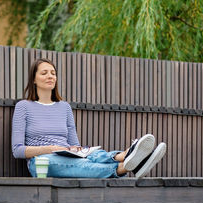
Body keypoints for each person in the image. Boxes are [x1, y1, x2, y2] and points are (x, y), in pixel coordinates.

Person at [12, 58, 166, 178]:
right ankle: (127, 166)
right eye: (44, 73)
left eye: (53, 73)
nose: (50, 76)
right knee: (70, 162)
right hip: (42, 161)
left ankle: (126, 155)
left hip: (68, 155)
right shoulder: (23, 107)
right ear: (34, 79)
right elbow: (17, 150)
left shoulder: (64, 107)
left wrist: (77, 151)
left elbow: (76, 146)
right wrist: (52, 149)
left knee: (91, 155)